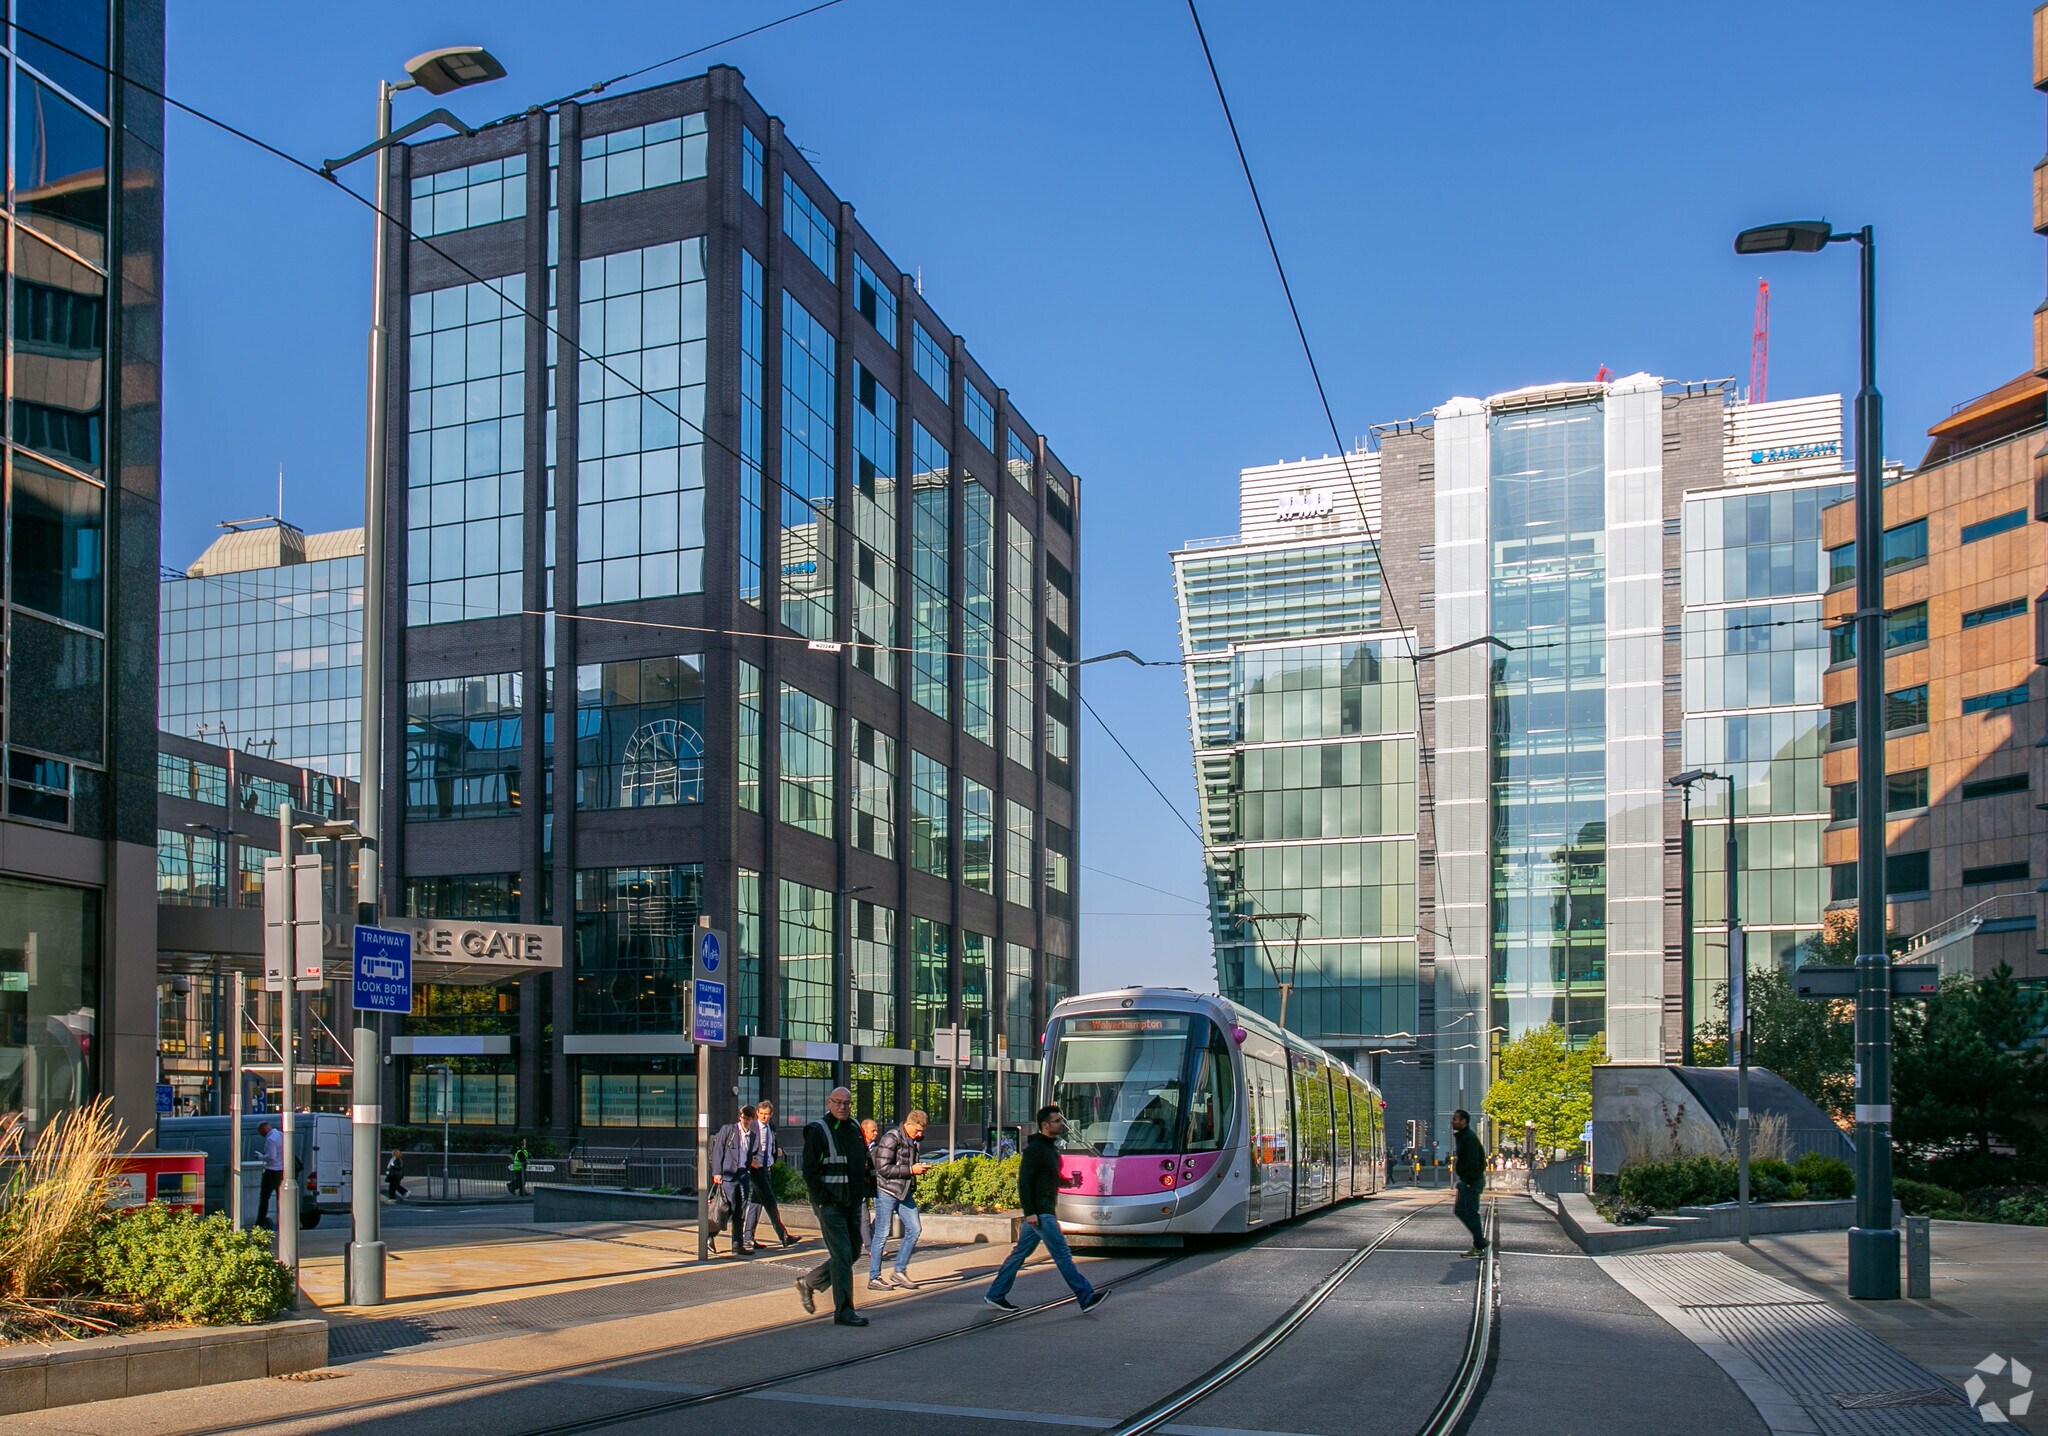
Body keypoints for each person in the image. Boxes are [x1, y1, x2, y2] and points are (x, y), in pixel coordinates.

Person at [985, 1105, 1109, 1314]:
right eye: (1057, 1121)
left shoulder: (1050, 1148)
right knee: (1061, 1253)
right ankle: (1086, 1297)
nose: (1061, 1124)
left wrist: (1068, 1182)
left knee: (1020, 1253)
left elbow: (1048, 1178)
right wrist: (1030, 1212)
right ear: (1045, 1125)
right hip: (1041, 1213)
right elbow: (1024, 1182)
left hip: (1042, 1211)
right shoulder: (1035, 1150)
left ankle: (995, 1294)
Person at [795, 1087, 873, 1326]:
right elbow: (809, 1170)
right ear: (829, 1103)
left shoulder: (853, 1129)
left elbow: (862, 1166)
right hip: (830, 1204)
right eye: (838, 1102)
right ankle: (844, 1310)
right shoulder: (818, 1130)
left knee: (853, 1252)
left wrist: (866, 1195)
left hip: (851, 1202)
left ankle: (809, 1282)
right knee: (841, 1255)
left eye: (847, 1103)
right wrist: (821, 1200)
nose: (843, 1107)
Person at [868, 1110, 932, 1290]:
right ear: (908, 1124)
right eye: (917, 1131)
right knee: (882, 1233)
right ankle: (874, 1277)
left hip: (903, 1191)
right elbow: (883, 1169)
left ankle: (899, 1271)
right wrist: (911, 1170)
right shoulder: (891, 1138)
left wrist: (914, 1170)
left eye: (922, 1131)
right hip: (886, 1191)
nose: (920, 1134)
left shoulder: (913, 1140)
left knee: (915, 1228)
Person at [745, 1101, 799, 1248]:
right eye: (761, 1113)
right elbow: (743, 1146)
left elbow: (770, 1145)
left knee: (756, 1203)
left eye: (766, 1114)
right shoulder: (753, 1127)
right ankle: (783, 1236)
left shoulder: (771, 1128)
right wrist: (750, 1160)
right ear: (757, 1113)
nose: (763, 1116)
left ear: (771, 1114)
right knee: (770, 1202)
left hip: (767, 1168)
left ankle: (748, 1237)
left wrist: (776, 1152)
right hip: (756, 1170)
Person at [709, 1106, 759, 1255]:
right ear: (740, 1117)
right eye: (744, 1117)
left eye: (749, 1119)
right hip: (728, 1175)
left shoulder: (752, 1136)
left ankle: (737, 1245)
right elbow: (718, 1151)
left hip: (743, 1174)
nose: (746, 1121)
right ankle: (709, 1235)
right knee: (727, 1209)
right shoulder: (728, 1130)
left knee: (739, 1210)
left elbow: (749, 1154)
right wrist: (717, 1172)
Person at [1451, 1108, 1490, 1257]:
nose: (1452, 1121)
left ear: (1463, 1121)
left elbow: (1474, 1161)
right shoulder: (1463, 1136)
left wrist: (1468, 1181)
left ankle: (1479, 1245)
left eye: (1455, 1119)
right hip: (1467, 1180)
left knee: (1470, 1212)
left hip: (1471, 1181)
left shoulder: (1469, 1138)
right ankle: (1480, 1242)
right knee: (1461, 1211)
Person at [859, 1118, 882, 1251]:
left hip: (875, 1186)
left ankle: (869, 1242)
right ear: (864, 1131)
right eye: (873, 1130)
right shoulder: (856, 1147)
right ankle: (870, 1247)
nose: (876, 1133)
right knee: (864, 1217)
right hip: (861, 1186)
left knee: (882, 1214)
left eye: (877, 1130)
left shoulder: (878, 1148)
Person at [256, 1120, 284, 1228]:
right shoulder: (280, 1135)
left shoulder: (270, 1139)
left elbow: (272, 1156)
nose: (261, 1135)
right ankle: (283, 1219)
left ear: (263, 1129)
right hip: (281, 1171)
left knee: (264, 1198)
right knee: (280, 1198)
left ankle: (260, 1222)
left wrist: (261, 1157)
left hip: (271, 1171)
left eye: (260, 1132)